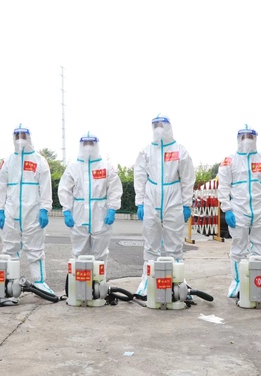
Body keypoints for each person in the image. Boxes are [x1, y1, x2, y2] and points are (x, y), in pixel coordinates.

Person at [134, 114, 195, 297]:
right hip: (151, 196)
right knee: (150, 242)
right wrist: (140, 202)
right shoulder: (146, 151)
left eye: (162, 125)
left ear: (169, 127)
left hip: (173, 196)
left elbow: (187, 178)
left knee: (174, 244)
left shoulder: (179, 150)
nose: (159, 128)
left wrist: (186, 203)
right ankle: (147, 280)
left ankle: (177, 280)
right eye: (155, 125)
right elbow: (139, 176)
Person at [217, 126, 261, 298]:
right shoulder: (229, 161)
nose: (247, 140)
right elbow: (223, 186)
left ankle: (258, 283)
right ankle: (238, 283)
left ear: (256, 139)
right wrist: (227, 208)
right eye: (243, 137)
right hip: (239, 209)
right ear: (238, 139)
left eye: (250, 136)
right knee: (238, 248)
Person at [0, 125, 54, 294]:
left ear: (29, 137)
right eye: (17, 135)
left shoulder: (39, 161)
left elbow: (45, 187)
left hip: (33, 212)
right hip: (11, 213)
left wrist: (44, 209)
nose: (20, 139)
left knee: (35, 249)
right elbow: (0, 186)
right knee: (9, 249)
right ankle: (10, 283)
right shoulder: (7, 161)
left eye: (23, 135)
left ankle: (39, 282)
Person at [58, 132, 123, 265]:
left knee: (100, 255)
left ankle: (99, 279)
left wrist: (112, 209)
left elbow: (115, 189)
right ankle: (79, 278)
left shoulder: (106, 167)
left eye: (91, 143)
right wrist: (66, 210)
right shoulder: (73, 167)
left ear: (96, 145)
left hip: (100, 214)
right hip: (78, 214)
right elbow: (64, 190)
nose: (88, 147)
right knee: (79, 253)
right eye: (85, 143)